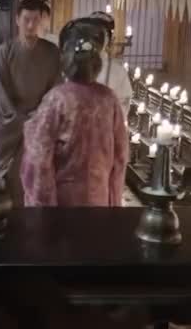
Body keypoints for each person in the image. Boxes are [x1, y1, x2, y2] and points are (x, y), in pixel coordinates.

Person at [20, 18, 129, 207]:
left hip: (63, 207)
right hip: (100, 201)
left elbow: (37, 161)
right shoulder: (109, 99)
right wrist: (114, 203)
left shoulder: (57, 100)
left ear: (65, 57)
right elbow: (120, 158)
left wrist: (43, 208)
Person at [0, 0, 63, 205]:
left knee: (34, 175)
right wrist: (20, 118)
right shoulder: (4, 51)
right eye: (26, 19)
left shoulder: (52, 52)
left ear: (42, 21)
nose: (30, 25)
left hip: (40, 119)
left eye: (35, 20)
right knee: (6, 177)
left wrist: (40, 114)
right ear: (17, 20)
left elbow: (56, 88)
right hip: (10, 123)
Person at [88, 10, 134, 117]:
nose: (97, 39)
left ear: (109, 40)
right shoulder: (74, 65)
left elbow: (124, 104)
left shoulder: (118, 71)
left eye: (102, 35)